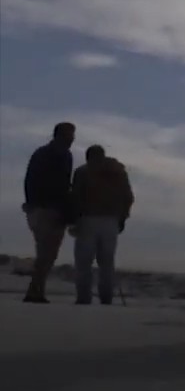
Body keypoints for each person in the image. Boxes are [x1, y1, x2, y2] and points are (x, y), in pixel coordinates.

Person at [69, 145, 134, 305]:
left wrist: (73, 220)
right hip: (111, 221)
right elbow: (128, 197)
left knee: (84, 262)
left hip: (87, 219)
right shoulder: (118, 173)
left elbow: (76, 198)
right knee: (107, 262)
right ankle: (106, 297)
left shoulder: (83, 172)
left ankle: (84, 297)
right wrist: (122, 218)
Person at [21, 122, 75, 303]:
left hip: (44, 208)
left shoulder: (47, 153)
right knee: (47, 252)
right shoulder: (60, 155)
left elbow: (30, 180)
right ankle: (35, 290)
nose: (72, 139)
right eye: (70, 135)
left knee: (46, 252)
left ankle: (36, 290)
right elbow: (60, 185)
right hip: (48, 209)